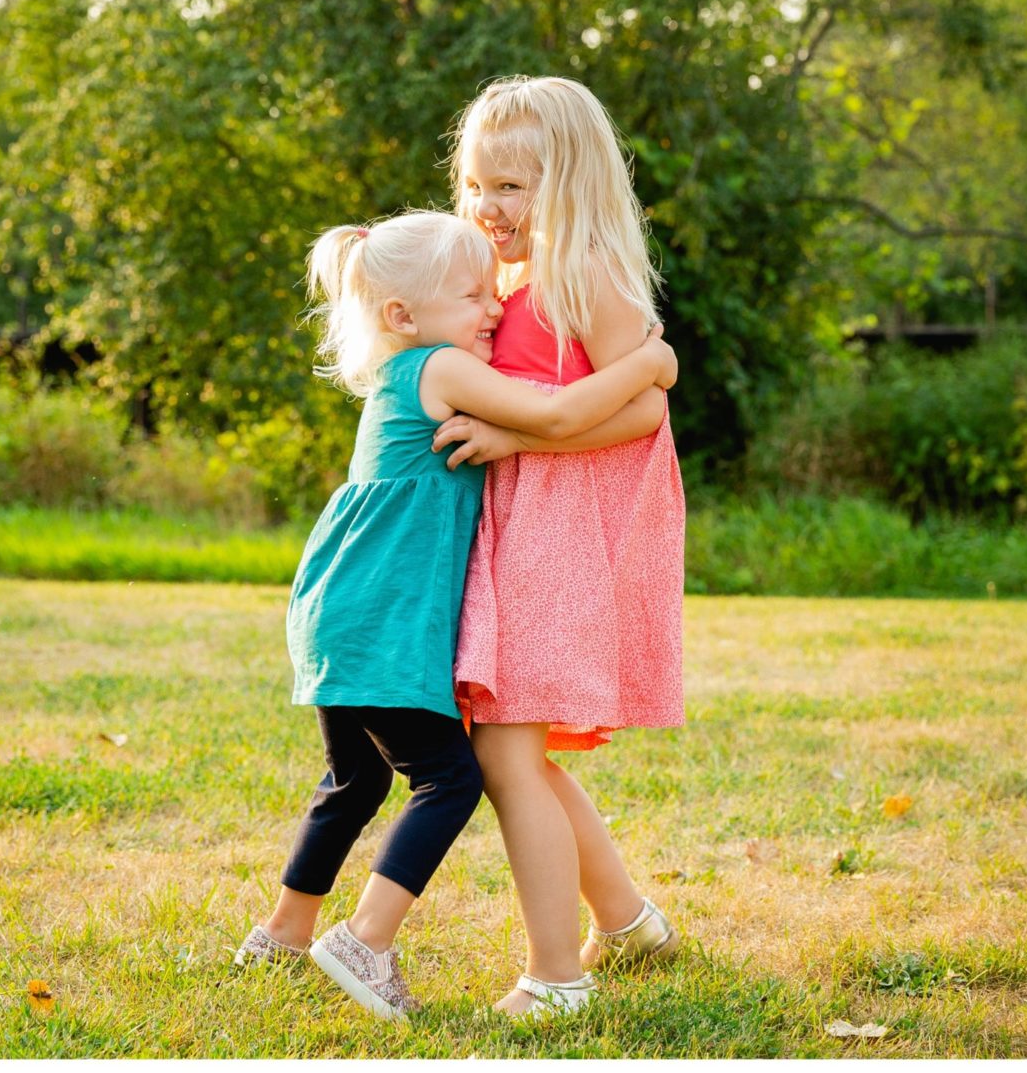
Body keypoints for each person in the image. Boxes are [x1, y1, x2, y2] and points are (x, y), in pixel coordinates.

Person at [235, 210, 676, 1022]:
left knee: (357, 778)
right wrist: (652, 359)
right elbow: (552, 417)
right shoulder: (439, 366)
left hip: (339, 615)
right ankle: (365, 940)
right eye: (472, 294)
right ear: (404, 315)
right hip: (382, 623)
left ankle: (282, 931)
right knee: (451, 775)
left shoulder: (400, 376)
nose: (493, 309)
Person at [431, 76, 688, 1018]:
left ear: (569, 180)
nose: (487, 207)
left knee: (506, 752)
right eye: (475, 185)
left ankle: (556, 976)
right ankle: (626, 921)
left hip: (558, 537)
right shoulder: (499, 285)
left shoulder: (588, 280)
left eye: (510, 186)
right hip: (507, 532)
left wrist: (522, 439)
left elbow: (648, 406)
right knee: (516, 751)